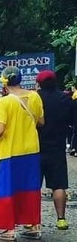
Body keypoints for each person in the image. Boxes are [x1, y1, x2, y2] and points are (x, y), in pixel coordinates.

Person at [0, 66, 44, 241]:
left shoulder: (5, 102)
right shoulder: (34, 96)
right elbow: (41, 121)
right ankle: (34, 226)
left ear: (4, 83)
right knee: (30, 188)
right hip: (32, 149)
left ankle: (9, 229)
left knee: (8, 189)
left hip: (11, 151)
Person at [35, 70, 72, 230]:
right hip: (57, 147)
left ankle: (32, 221)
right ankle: (61, 219)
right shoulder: (65, 98)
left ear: (39, 83)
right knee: (59, 185)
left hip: (35, 147)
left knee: (33, 186)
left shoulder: (34, 98)